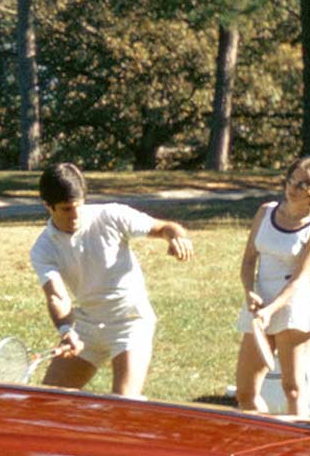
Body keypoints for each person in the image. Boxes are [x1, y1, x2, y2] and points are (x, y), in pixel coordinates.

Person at [29, 162, 194, 397]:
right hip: (86, 327)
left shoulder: (111, 215)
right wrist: (67, 330)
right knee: (46, 403)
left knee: (123, 405)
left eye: (78, 206)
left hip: (130, 322)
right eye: (66, 209)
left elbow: (165, 227)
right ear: (48, 206)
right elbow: (57, 295)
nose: (75, 216)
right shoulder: (43, 248)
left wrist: (176, 237)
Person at [236, 156, 310, 415]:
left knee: (291, 388)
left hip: (293, 308)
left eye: (302, 185)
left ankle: (297, 448)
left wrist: (271, 310)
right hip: (259, 307)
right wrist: (250, 293)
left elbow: (300, 280)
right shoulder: (265, 212)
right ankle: (262, 438)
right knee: (245, 392)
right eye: (292, 180)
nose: (292, 188)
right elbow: (248, 262)